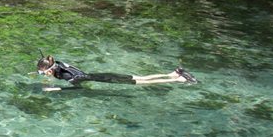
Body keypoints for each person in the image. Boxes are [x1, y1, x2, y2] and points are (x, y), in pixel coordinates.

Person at [35, 54, 196, 91]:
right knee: (141, 77)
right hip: (101, 74)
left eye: (42, 73)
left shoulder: (65, 75)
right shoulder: (60, 65)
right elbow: (53, 64)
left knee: (143, 82)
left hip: (106, 79)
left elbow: (78, 88)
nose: (42, 75)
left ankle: (178, 79)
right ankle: (173, 73)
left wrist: (55, 89)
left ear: (50, 70)